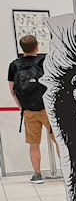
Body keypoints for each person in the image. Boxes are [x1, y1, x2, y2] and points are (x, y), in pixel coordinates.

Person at [7, 34, 56, 184]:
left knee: (34, 144)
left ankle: (37, 175)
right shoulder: (45, 61)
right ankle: (69, 174)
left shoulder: (14, 65)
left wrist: (22, 107)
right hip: (48, 109)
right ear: (37, 47)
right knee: (59, 141)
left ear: (22, 48)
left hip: (29, 111)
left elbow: (12, 91)